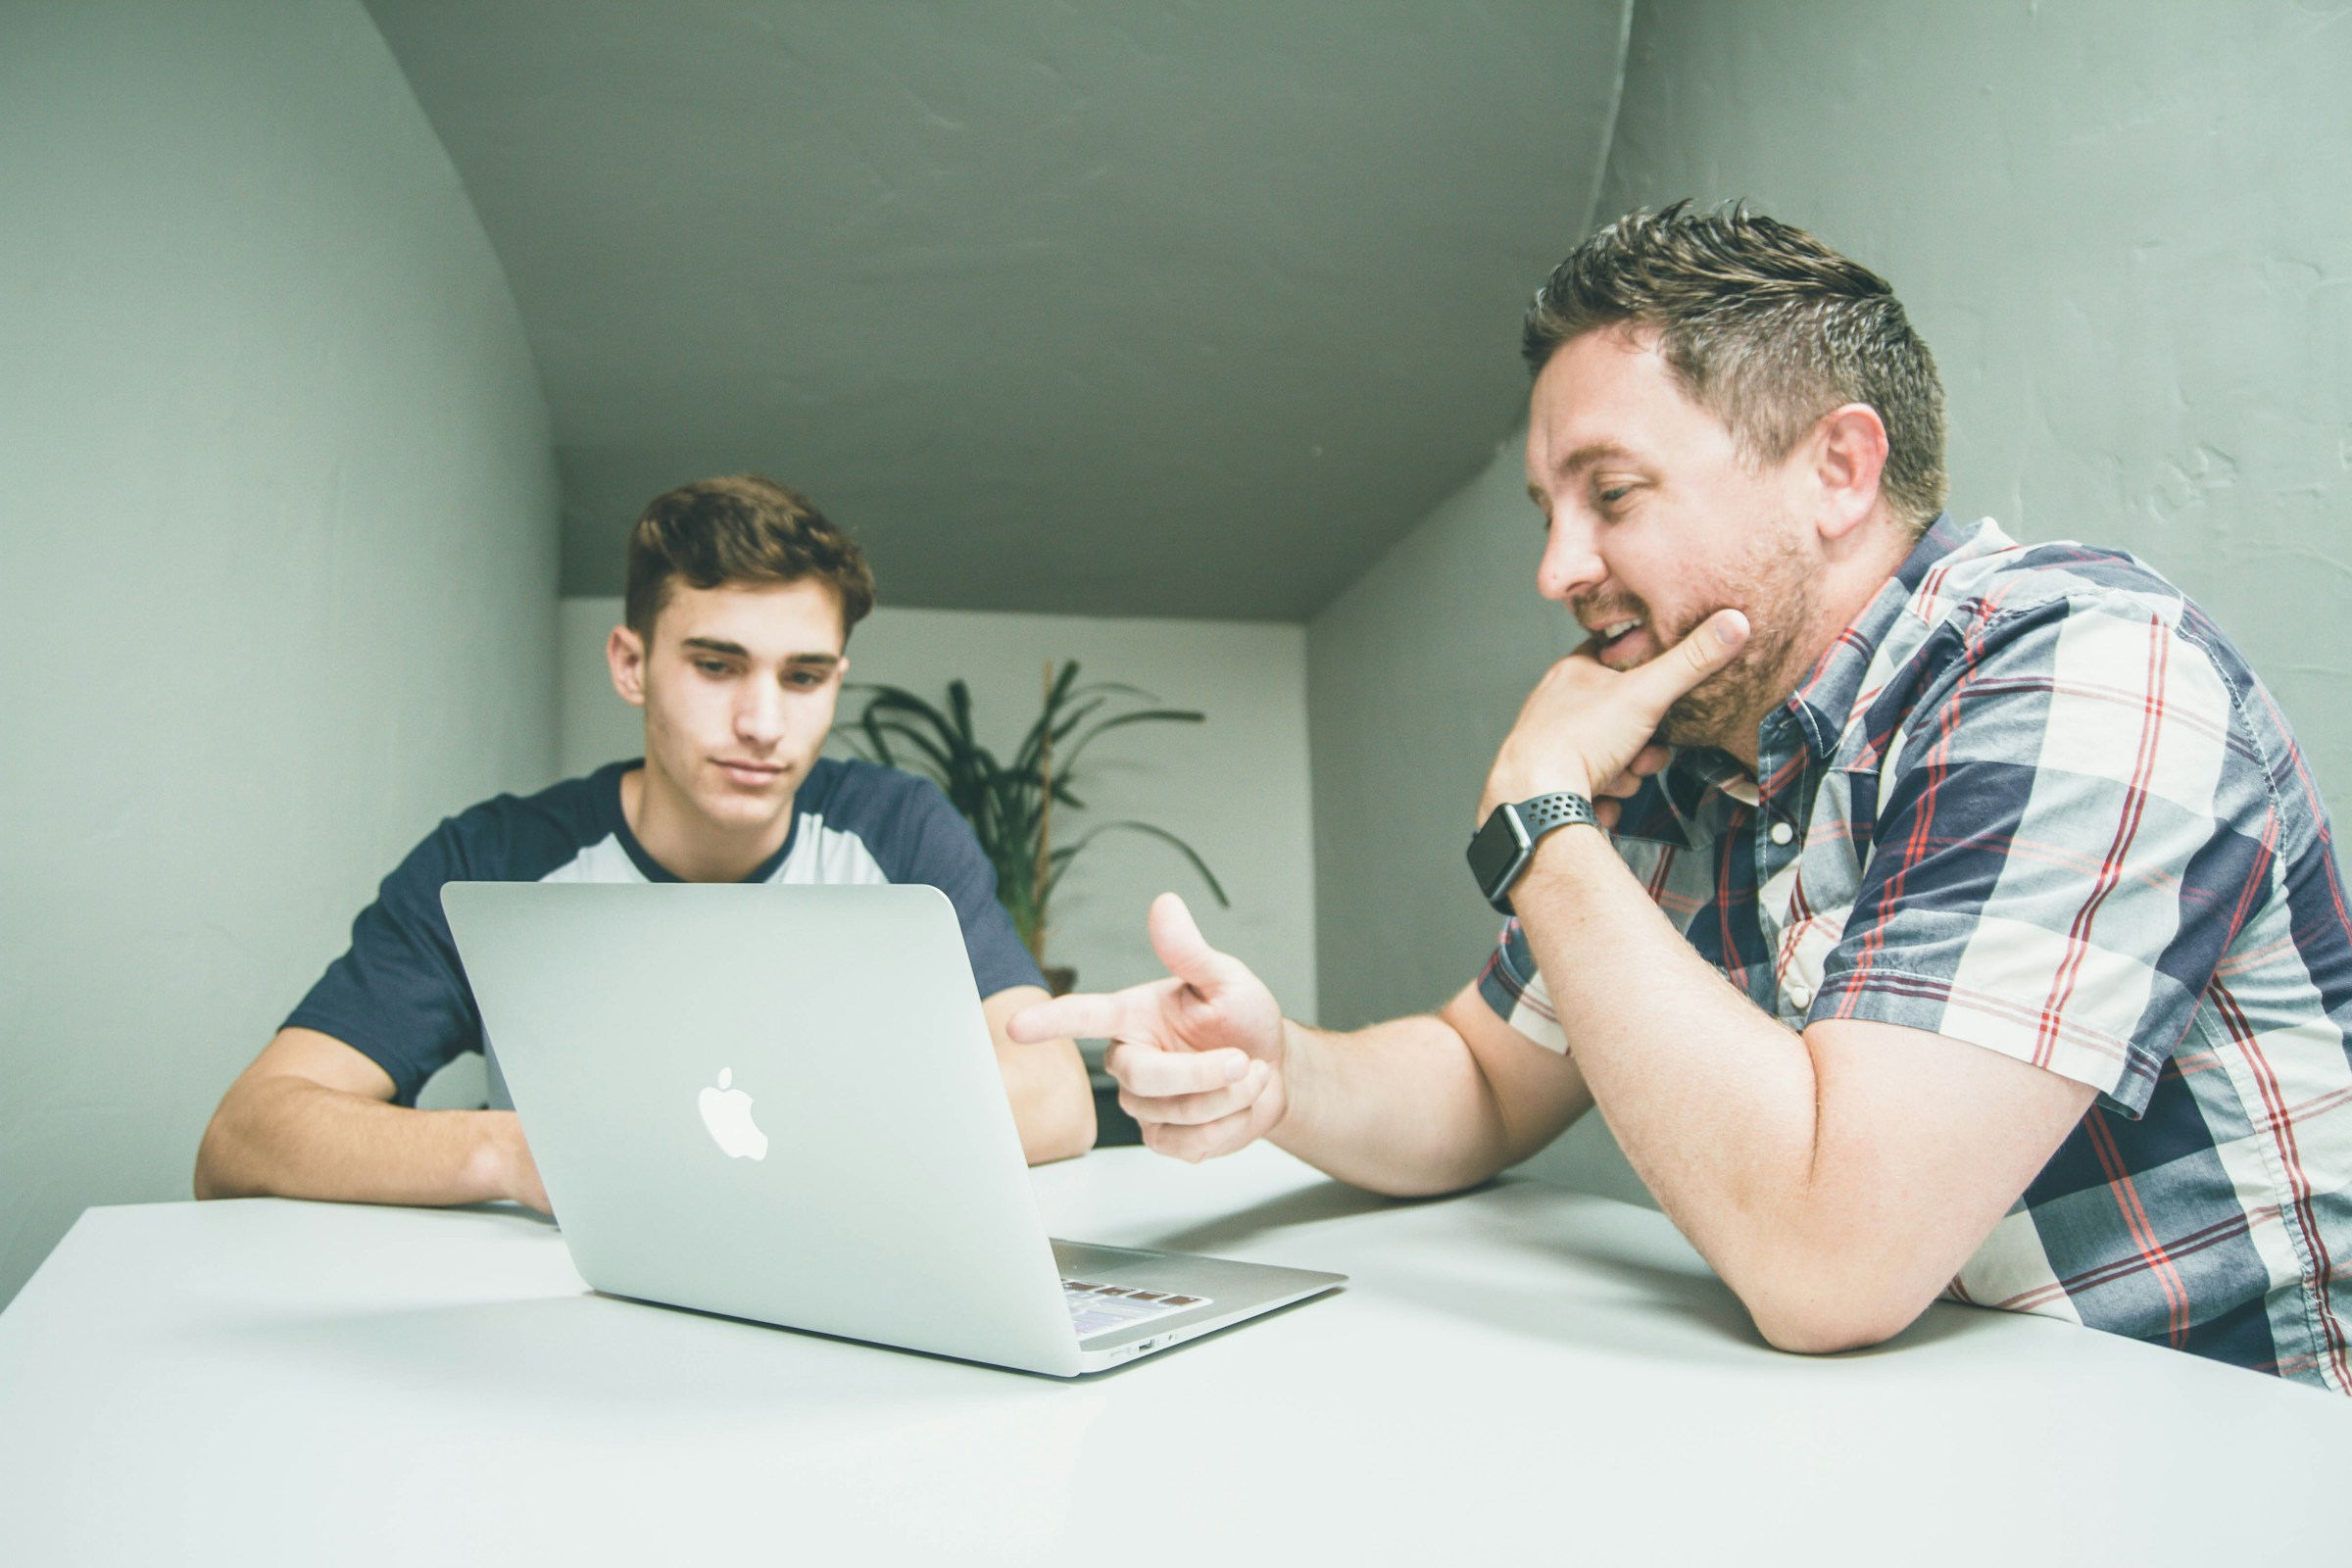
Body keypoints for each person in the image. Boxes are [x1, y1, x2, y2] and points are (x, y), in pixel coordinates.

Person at [1012, 204, 2352, 1391]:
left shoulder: (2081, 670)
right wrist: (1280, 1070)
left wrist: (1542, 816)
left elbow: (1832, 1262)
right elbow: (1486, 1075)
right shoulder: (1702, 743)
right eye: (1548, 508)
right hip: (1928, 1432)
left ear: (1838, 469)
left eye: (1612, 495)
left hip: (2231, 1452)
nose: (1558, 567)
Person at [197, 474, 1094, 1210]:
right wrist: (516, 1153)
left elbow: (1055, 1099)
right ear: (632, 664)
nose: (763, 722)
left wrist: (735, 1142)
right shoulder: (495, 859)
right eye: (716, 665)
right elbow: (247, 1134)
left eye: (805, 676)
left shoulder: (896, 831)